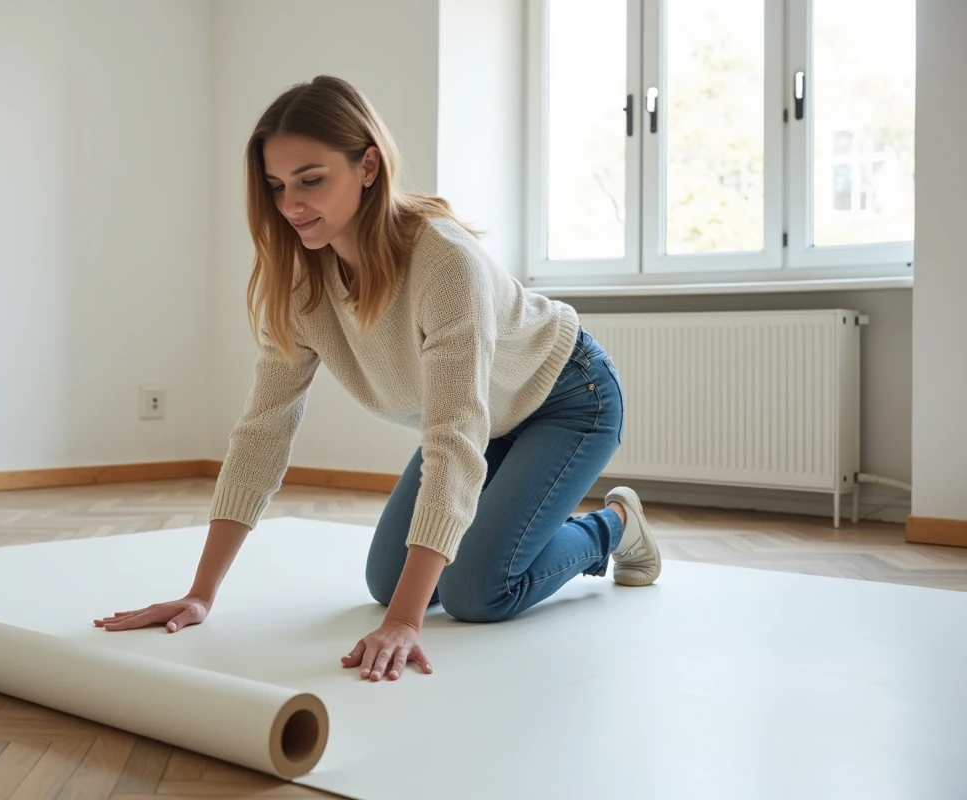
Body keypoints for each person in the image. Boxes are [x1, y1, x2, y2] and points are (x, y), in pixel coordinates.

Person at [94, 75, 661, 682]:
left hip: (567, 397)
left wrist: (406, 624)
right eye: (276, 186)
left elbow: (454, 439)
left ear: (367, 165)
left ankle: (615, 527)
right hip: (484, 417)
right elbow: (262, 432)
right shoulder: (301, 284)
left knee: (476, 592)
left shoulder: (444, 263)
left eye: (311, 180)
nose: (290, 205)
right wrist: (201, 592)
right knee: (386, 581)